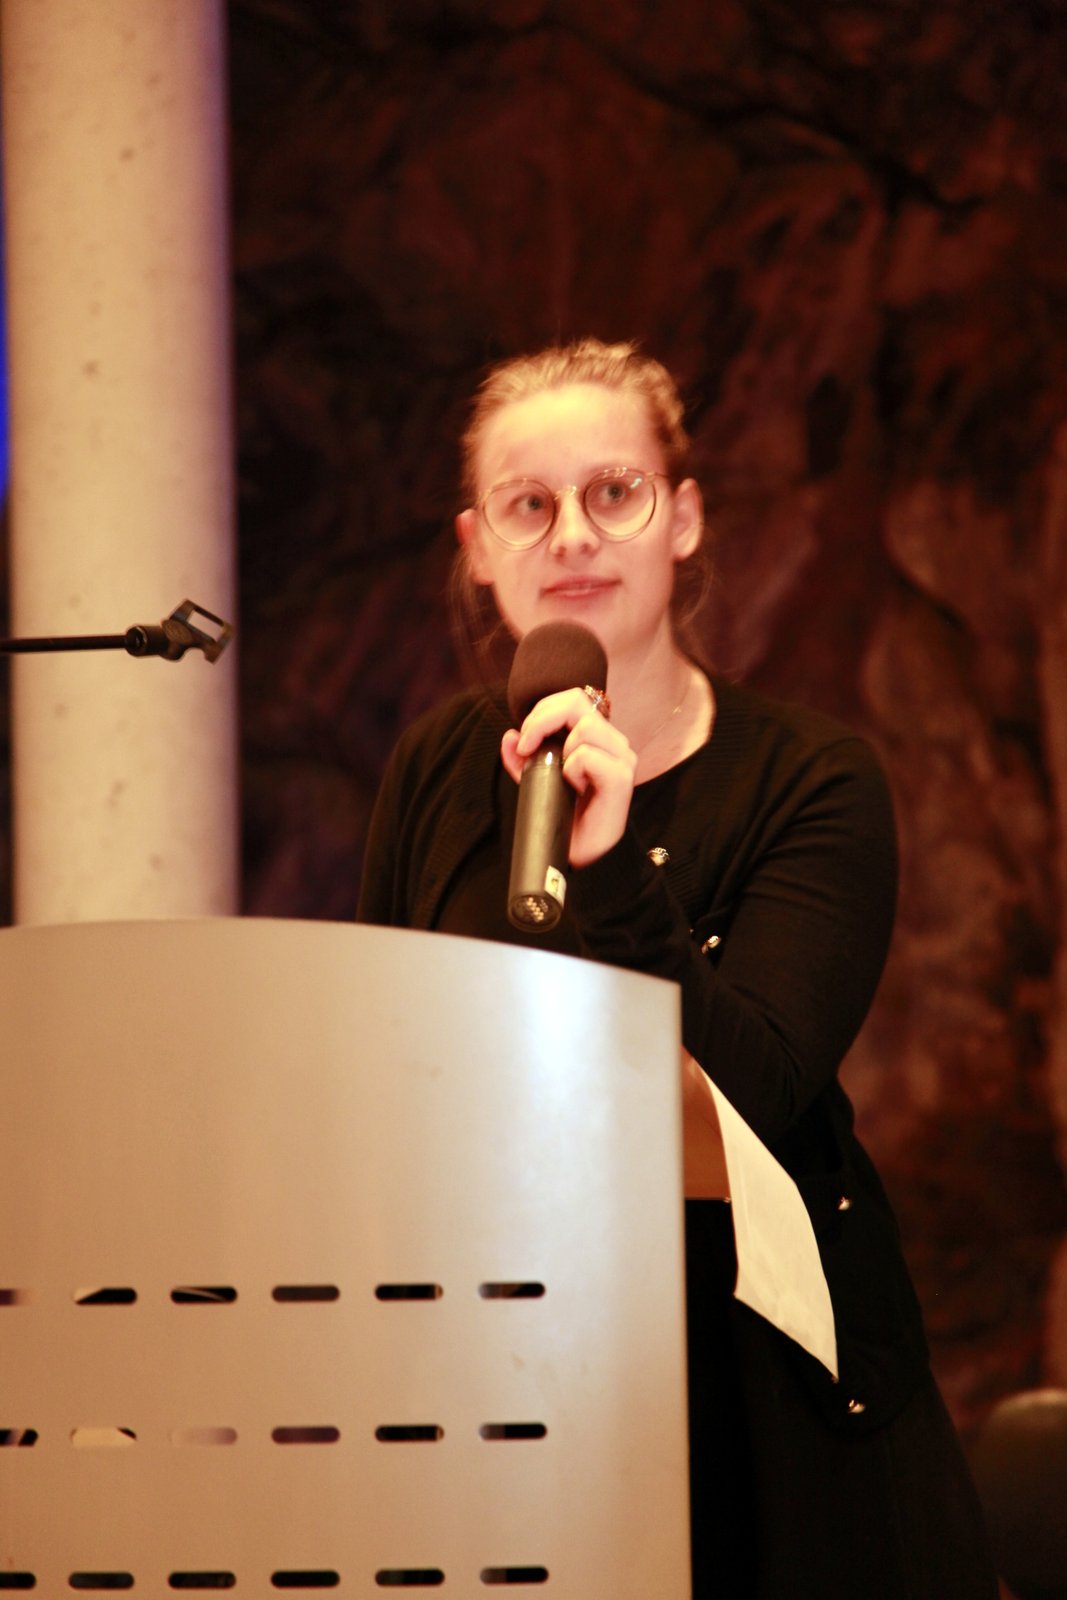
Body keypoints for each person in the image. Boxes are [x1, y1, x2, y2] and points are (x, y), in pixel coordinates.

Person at [357, 337, 998, 1598]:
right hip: (505, 1385)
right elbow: (382, 1067)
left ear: (683, 519)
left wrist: (608, 870)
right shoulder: (436, 767)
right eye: (526, 506)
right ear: (476, 545)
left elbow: (753, 1087)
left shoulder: (812, 780)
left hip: (771, 1415)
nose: (571, 538)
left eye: (614, 492)